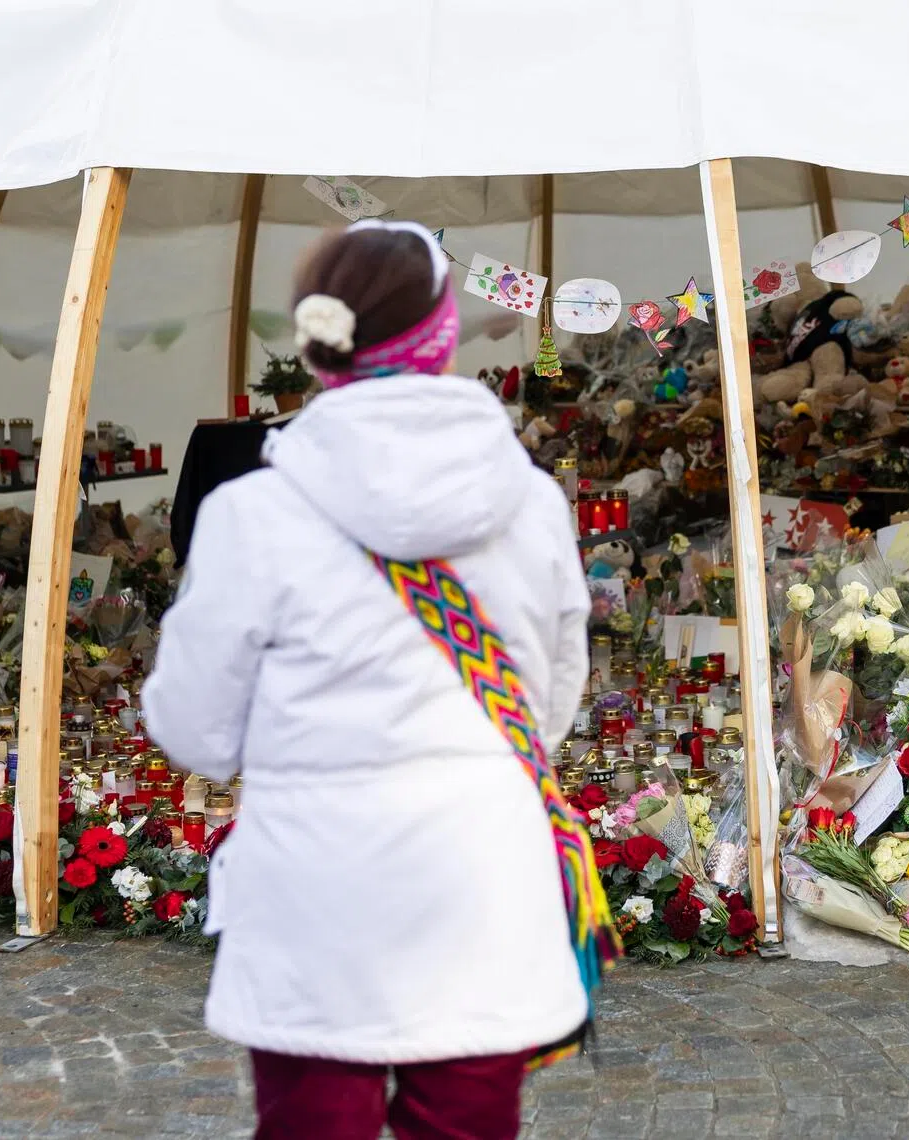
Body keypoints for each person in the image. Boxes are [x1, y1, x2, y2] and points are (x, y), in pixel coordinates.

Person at [141, 220, 619, 1140]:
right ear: (443, 338)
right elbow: (547, 711)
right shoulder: (532, 505)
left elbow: (195, 732)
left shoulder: (252, 514)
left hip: (315, 894)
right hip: (482, 879)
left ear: (320, 349)